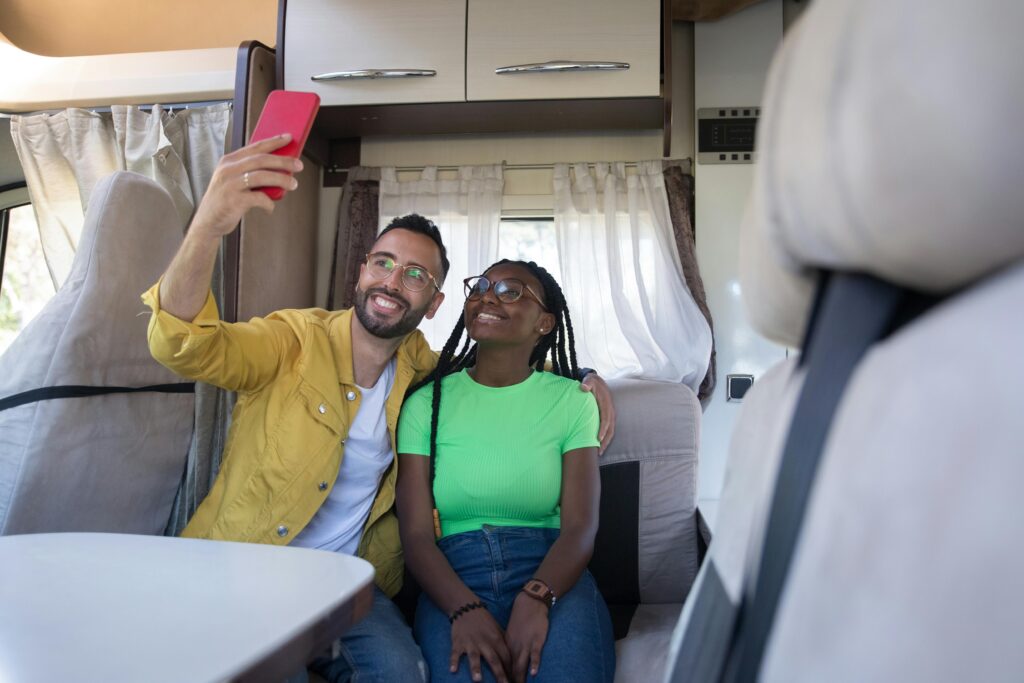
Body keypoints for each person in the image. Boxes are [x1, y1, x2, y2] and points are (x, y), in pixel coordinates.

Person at [142, 134, 616, 683]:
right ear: (362, 271)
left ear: (434, 303)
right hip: (245, 569)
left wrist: (585, 374)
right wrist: (209, 225)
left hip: (345, 588)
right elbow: (185, 344)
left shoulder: (420, 374)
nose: (394, 281)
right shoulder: (290, 341)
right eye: (384, 263)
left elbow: (503, 375)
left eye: (416, 275)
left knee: (401, 673)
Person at [396, 259, 616, 683]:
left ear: (544, 322)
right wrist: (463, 608)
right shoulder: (426, 404)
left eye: (510, 290)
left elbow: (580, 527)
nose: (487, 296)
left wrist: (537, 597)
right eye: (480, 286)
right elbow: (417, 536)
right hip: (453, 580)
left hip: (553, 574)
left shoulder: (572, 401)